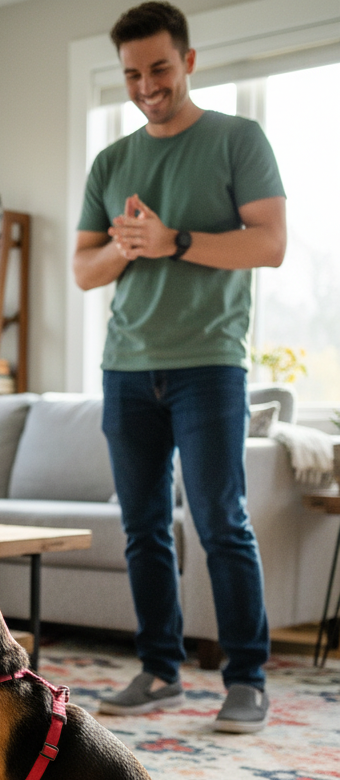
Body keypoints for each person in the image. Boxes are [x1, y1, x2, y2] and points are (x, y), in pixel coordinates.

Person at [74, 1, 286, 733]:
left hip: (209, 365)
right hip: (126, 367)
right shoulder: (111, 162)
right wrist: (126, 247)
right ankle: (159, 669)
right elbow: (82, 269)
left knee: (221, 522)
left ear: (188, 62)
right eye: (132, 73)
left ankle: (247, 679)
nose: (146, 85)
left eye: (159, 68)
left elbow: (269, 243)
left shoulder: (237, 139)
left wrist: (175, 240)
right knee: (142, 528)